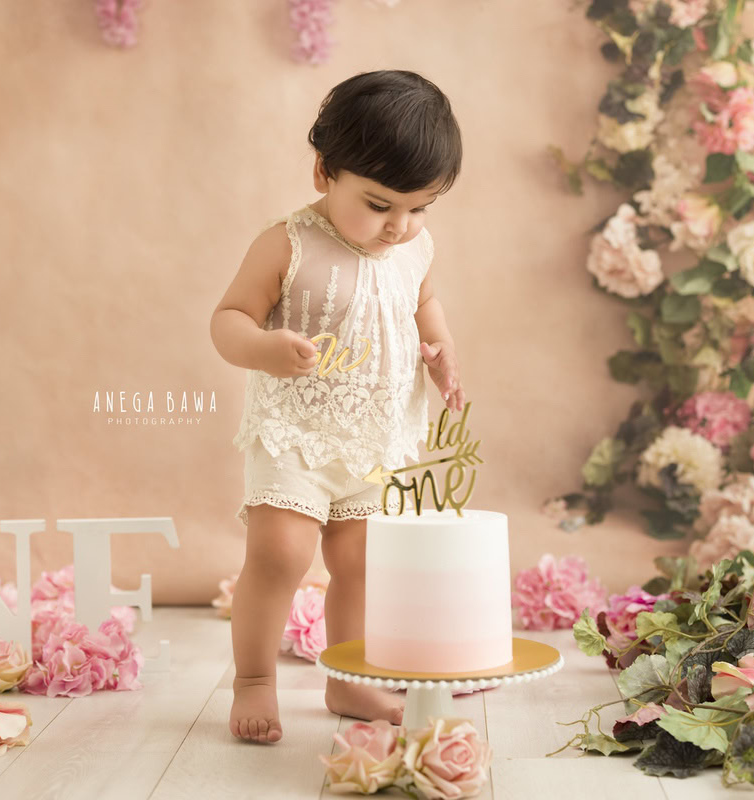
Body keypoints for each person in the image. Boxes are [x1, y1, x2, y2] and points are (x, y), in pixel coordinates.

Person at [209, 69, 467, 744]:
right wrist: (263, 348)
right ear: (324, 170)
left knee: (363, 565)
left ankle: (349, 677)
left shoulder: (414, 247)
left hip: (373, 435)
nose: (399, 226)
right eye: (380, 204)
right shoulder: (288, 244)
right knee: (280, 554)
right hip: (295, 429)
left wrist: (439, 351)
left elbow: (423, 305)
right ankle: (253, 680)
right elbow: (229, 318)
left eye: (419, 208)